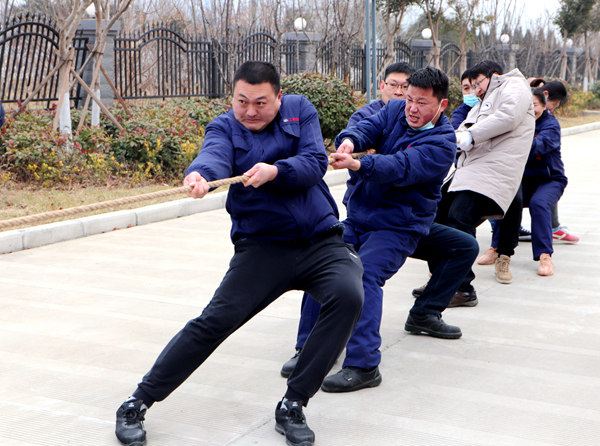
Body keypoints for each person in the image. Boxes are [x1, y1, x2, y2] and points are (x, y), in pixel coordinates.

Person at [114, 61, 365, 446]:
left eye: (260, 103)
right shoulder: (223, 127)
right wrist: (200, 175)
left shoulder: (300, 110)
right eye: (241, 101)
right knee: (214, 321)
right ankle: (137, 401)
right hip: (262, 247)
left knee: (349, 296)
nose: (249, 111)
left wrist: (274, 172)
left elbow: (314, 163)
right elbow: (213, 155)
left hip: (321, 241)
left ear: (279, 98)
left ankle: (293, 403)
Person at [282, 66, 479, 381]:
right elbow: (367, 127)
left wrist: (359, 163)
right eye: (410, 99)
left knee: (365, 277)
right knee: (322, 267)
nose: (412, 108)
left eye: (422, 103)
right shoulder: (395, 110)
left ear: (442, 105)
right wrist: (349, 141)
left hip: (399, 226)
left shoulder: (442, 143)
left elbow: (399, 167)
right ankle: (309, 349)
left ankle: (363, 365)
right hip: (360, 216)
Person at [436, 60, 535, 291]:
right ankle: (440, 282)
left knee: (459, 218)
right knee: (438, 216)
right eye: (470, 86)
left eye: (477, 83)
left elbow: (508, 116)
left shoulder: (514, 84)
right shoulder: (480, 105)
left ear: (494, 76)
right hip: (469, 171)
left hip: (492, 171)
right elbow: (462, 130)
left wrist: (470, 136)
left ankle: (461, 288)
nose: (475, 90)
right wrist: (453, 139)